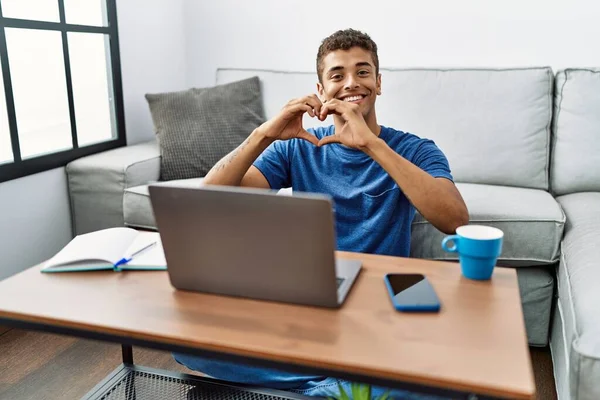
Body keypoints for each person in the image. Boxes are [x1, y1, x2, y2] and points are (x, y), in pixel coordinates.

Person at [175, 29, 469, 399]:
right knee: (185, 343)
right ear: (320, 89)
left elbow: (455, 218)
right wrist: (264, 134)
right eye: (337, 75)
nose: (351, 83)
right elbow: (210, 199)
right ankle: (338, 385)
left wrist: (372, 145)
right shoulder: (299, 148)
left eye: (363, 72)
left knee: (453, 381)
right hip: (308, 299)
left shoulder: (414, 149)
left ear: (379, 83)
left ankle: (320, 383)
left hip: (380, 302)